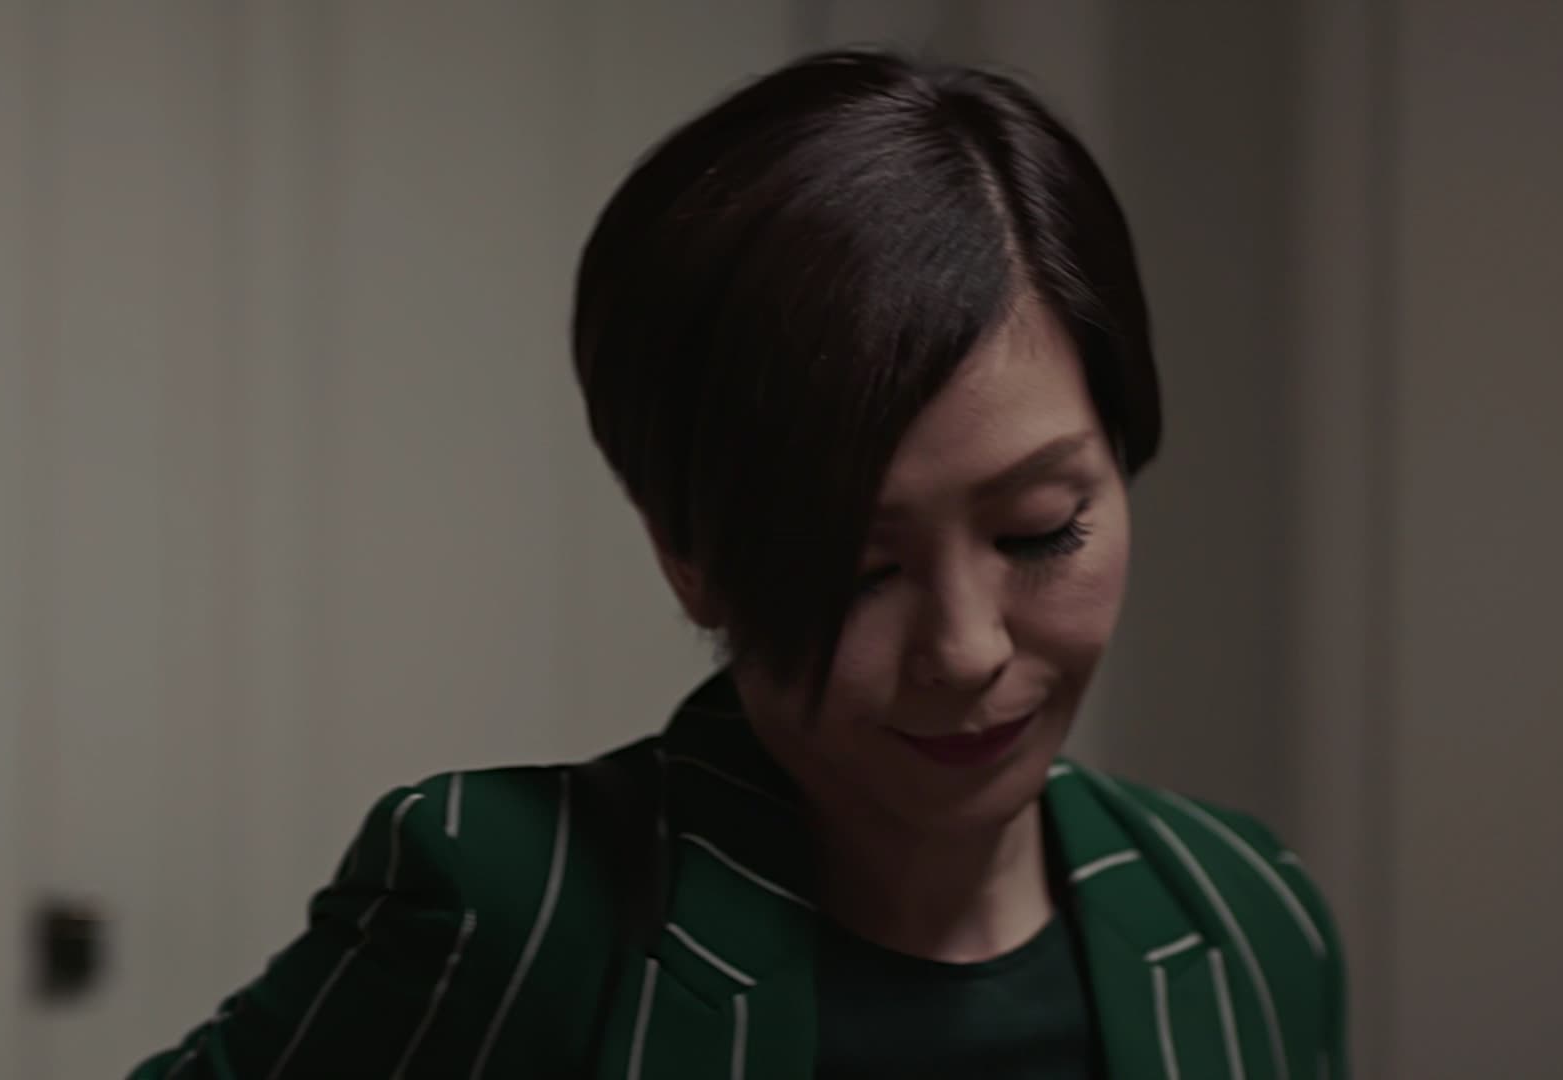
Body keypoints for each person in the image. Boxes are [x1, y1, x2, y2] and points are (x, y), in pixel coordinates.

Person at [132, 48, 1345, 1079]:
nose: (967, 648)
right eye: (859, 567)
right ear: (687, 554)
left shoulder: (1246, 914)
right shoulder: (509, 905)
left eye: (1040, 529)